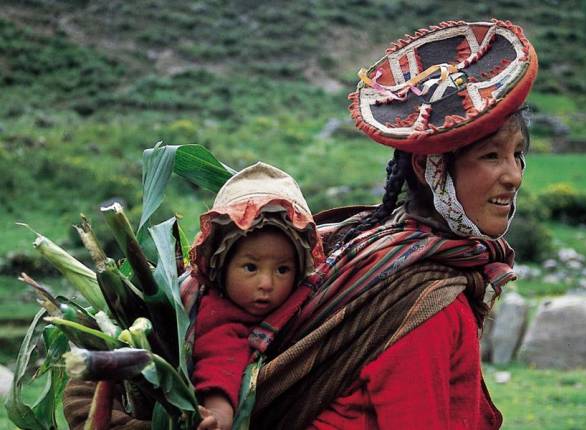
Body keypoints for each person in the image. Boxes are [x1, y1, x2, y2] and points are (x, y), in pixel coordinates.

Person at [249, 19, 538, 429]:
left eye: (518, 154)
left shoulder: (375, 246)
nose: (513, 176)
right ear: (430, 169)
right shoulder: (424, 300)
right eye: (492, 156)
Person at [184, 161, 324, 430]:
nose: (266, 283)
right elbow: (220, 365)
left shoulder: (314, 294)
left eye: (282, 269)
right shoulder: (219, 315)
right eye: (250, 267)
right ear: (221, 267)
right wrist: (219, 417)